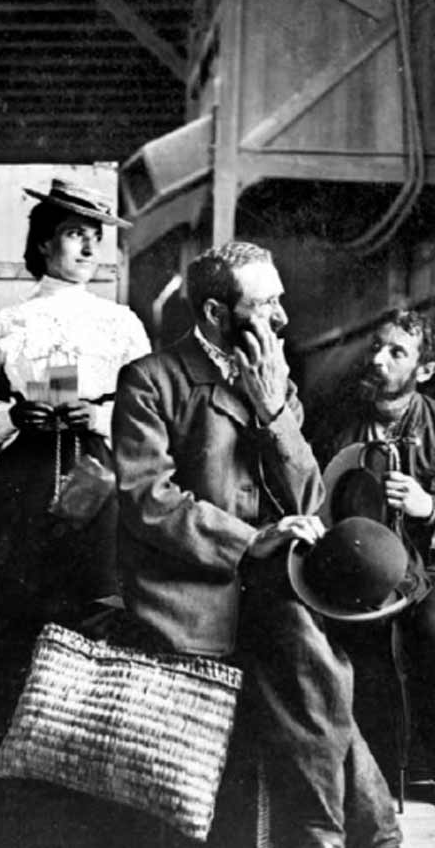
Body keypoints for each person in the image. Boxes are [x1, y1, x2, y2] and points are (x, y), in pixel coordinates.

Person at [111, 242, 401, 848]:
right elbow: (148, 501)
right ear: (217, 313)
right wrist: (253, 539)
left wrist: (274, 411)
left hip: (263, 580)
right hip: (189, 587)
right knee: (313, 660)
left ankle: (341, 834)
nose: (282, 319)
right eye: (266, 304)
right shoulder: (150, 380)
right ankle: (362, 834)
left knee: (316, 656)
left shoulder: (276, 378)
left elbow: (308, 496)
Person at [0, 178, 150, 742]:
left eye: (96, 237)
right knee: (13, 603)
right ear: (45, 244)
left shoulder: (122, 323)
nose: (90, 249)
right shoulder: (8, 323)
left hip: (97, 470)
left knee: (96, 602)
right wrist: (13, 419)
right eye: (76, 235)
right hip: (24, 474)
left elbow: (149, 417)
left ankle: (85, 749)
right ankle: (7, 749)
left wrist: (98, 419)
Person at [323, 308, 435, 779]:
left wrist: (427, 505)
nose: (378, 360)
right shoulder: (338, 422)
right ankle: (366, 771)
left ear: (425, 370)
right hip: (358, 568)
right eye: (375, 347)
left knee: (431, 627)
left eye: (397, 352)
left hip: (427, 571)